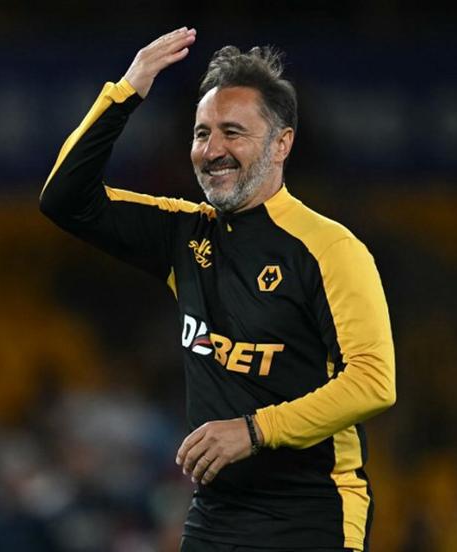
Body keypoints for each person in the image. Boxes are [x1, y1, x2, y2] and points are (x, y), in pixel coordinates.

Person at [39, 27, 396, 552]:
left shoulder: (330, 249)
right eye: (201, 133)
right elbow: (64, 199)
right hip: (216, 516)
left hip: (312, 511)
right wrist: (127, 89)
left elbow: (373, 382)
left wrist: (253, 430)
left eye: (233, 132)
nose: (213, 150)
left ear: (282, 143)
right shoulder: (183, 233)